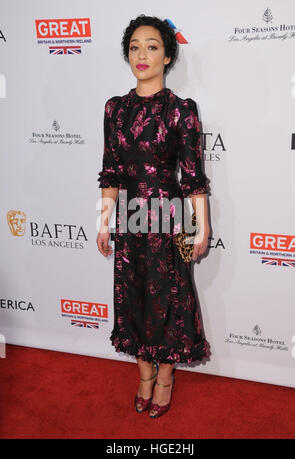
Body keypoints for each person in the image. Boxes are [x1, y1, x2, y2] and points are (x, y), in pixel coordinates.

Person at [96, 14, 211, 419]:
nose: (142, 54)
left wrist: (203, 227)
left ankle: (164, 378)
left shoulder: (182, 110)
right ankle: (143, 374)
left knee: (169, 301)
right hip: (129, 216)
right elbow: (110, 169)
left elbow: (194, 176)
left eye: (152, 46)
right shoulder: (114, 109)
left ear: (167, 56)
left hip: (170, 214)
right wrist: (104, 218)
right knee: (133, 297)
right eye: (134, 47)